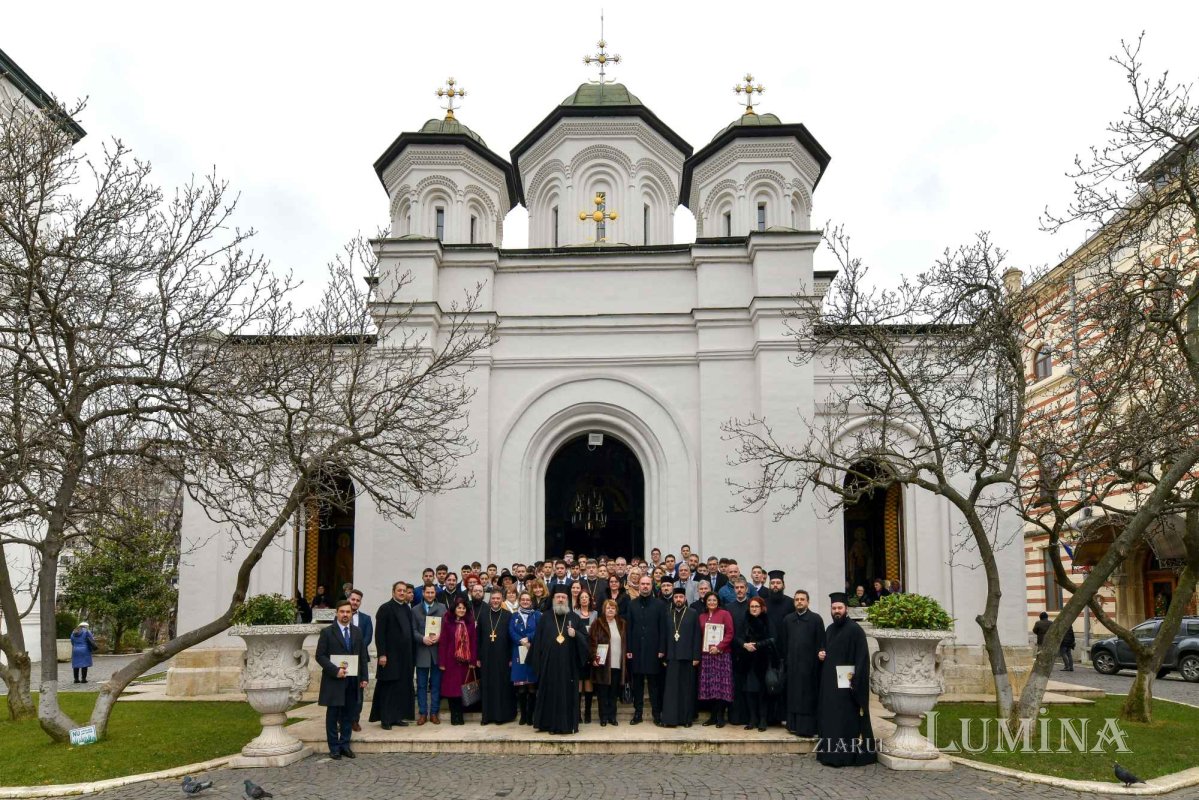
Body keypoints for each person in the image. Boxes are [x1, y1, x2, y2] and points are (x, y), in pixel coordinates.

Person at [816, 592, 877, 767]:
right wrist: (821, 654)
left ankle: (843, 756)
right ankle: (828, 755)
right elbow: (825, 650)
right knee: (830, 719)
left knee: (844, 720)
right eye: (834, 608)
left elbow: (862, 659)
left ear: (846, 609)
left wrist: (856, 683)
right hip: (829, 685)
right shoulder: (829, 629)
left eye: (839, 608)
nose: (837, 611)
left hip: (846, 686)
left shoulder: (855, 630)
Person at [530, 587, 589, 734]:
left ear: (567, 599)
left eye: (563, 597)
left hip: (569, 667)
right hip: (549, 666)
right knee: (549, 694)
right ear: (553, 599)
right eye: (558, 597)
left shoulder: (575, 618)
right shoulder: (545, 618)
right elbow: (537, 642)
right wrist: (538, 663)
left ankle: (567, 724)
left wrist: (576, 634)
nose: (561, 599)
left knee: (566, 695)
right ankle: (548, 724)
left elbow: (585, 641)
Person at [315, 600, 369, 760]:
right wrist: (335, 670)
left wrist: (364, 677)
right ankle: (334, 748)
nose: (345, 615)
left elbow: (362, 656)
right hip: (334, 680)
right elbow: (320, 656)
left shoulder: (357, 632)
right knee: (333, 715)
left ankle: (345, 745)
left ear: (351, 614)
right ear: (337, 613)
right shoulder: (327, 632)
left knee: (349, 714)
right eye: (342, 612)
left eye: (348, 612)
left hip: (352, 680)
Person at [778, 589, 825, 736]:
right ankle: (793, 726)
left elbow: (821, 642)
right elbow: (783, 643)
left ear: (807, 602)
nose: (799, 602)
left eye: (802, 599)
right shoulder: (788, 620)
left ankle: (808, 728)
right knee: (793, 696)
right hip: (792, 667)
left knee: (807, 697)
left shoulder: (816, 619)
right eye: (797, 599)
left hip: (809, 667)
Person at [371, 581, 415, 729]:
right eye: (399, 590)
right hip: (390, 657)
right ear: (393, 592)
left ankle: (397, 717)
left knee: (400, 688)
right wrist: (382, 654)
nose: (402, 593)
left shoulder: (407, 609)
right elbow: (379, 634)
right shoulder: (385, 608)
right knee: (388, 688)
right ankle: (385, 718)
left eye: (404, 591)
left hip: (405, 657)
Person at [626, 574, 667, 725]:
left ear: (651, 586)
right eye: (642, 584)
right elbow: (629, 628)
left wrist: (662, 648)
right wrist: (628, 648)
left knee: (654, 685)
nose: (644, 586)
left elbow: (663, 629)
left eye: (647, 584)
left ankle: (657, 714)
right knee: (637, 685)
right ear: (639, 585)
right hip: (636, 650)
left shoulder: (660, 605)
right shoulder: (632, 604)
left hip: (654, 650)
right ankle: (638, 713)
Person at [660, 586, 701, 727]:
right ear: (673, 599)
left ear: (685, 599)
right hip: (672, 656)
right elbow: (664, 636)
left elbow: (697, 636)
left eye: (681, 597)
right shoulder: (668, 613)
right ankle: (670, 719)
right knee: (671, 690)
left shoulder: (693, 613)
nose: (678, 599)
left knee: (686, 690)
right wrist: (663, 655)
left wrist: (696, 656)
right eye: (676, 597)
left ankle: (686, 719)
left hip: (688, 657)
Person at [476, 588, 517, 725]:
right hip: (486, 657)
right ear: (490, 599)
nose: (495, 601)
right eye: (493, 598)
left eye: (498, 598)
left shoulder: (507, 615)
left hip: (503, 657)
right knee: (487, 686)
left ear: (502, 599)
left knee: (502, 686)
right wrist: (477, 658)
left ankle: (501, 716)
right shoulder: (483, 615)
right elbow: (478, 638)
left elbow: (512, 638)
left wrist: (511, 657)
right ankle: (486, 717)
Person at [735, 596, 775, 731]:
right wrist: (745, 645)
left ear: (762, 608)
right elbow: (738, 637)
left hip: (762, 660)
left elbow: (772, 639)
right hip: (747, 661)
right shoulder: (744, 619)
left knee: (762, 692)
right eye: (752, 606)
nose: (754, 609)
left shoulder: (767, 619)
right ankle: (752, 719)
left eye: (756, 606)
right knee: (749, 691)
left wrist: (757, 645)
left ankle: (763, 719)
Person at [437, 596, 477, 725]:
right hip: (450, 661)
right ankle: (454, 716)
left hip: (465, 662)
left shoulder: (470, 623)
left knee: (461, 690)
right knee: (451, 690)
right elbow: (443, 642)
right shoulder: (448, 622)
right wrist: (442, 662)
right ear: (454, 609)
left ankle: (460, 716)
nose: (461, 610)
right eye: (459, 608)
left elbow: (473, 643)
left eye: (463, 608)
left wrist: (472, 661)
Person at [698, 590, 734, 727]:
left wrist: (719, 647)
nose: (712, 602)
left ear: (718, 601)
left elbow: (730, 633)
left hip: (721, 655)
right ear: (705, 602)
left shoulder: (725, 614)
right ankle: (712, 716)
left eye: (714, 600)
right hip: (707, 656)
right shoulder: (701, 616)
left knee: (721, 687)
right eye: (709, 600)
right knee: (710, 686)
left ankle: (720, 716)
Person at [412, 583, 447, 725]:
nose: (430, 595)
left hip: (437, 652)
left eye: (433, 592)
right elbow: (412, 630)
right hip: (422, 651)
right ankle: (422, 713)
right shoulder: (415, 610)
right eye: (428, 592)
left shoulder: (443, 608)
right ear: (423, 593)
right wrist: (422, 638)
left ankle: (434, 713)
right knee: (421, 685)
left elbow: (447, 628)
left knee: (436, 684)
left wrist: (440, 637)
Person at [589, 598, 626, 726]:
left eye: (613, 608)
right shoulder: (597, 623)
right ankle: (603, 717)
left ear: (616, 610)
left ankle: (612, 717)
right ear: (604, 610)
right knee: (603, 693)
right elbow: (592, 643)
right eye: (608, 608)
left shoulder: (622, 623)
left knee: (613, 693)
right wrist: (594, 658)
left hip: (617, 664)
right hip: (603, 664)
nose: (610, 610)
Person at [509, 590, 541, 725]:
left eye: (528, 600)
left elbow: (540, 629)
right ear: (519, 600)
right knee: (521, 687)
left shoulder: (537, 615)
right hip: (518, 651)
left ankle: (531, 715)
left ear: (531, 601)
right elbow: (510, 631)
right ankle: (523, 715)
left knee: (532, 687)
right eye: (523, 599)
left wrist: (529, 638)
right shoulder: (514, 615)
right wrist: (520, 640)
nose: (525, 602)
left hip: (532, 651)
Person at [347, 589, 373, 732]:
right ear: (349, 600)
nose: (355, 602)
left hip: (360, 659)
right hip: (343, 660)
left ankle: (355, 720)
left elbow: (368, 638)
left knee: (358, 692)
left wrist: (356, 651)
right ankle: (343, 719)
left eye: (358, 600)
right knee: (343, 691)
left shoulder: (366, 619)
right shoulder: (340, 616)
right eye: (353, 599)